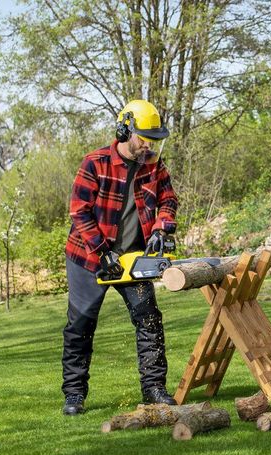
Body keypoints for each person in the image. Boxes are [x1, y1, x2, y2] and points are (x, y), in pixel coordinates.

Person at [60, 99, 179, 415]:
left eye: (154, 140)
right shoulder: (95, 163)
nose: (149, 146)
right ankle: (74, 395)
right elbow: (79, 211)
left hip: (132, 258)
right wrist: (101, 251)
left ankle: (154, 388)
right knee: (81, 324)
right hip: (88, 258)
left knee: (149, 319)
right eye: (144, 138)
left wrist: (160, 229)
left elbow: (168, 200)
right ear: (125, 129)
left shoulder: (154, 166)